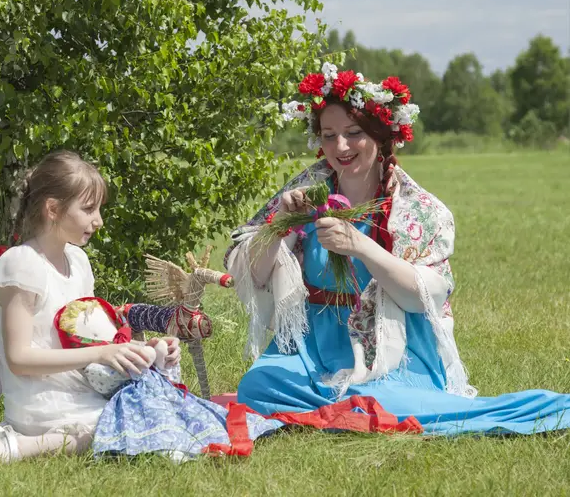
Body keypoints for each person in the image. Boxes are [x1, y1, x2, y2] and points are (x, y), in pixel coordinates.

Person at [225, 63, 570, 435]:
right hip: (310, 347)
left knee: (383, 399)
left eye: (353, 133)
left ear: (381, 136)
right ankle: (347, 407)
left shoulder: (417, 209)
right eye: (329, 135)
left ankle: (358, 403)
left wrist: (361, 247)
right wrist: (279, 228)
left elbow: (425, 298)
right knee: (257, 386)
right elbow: (251, 273)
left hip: (390, 345)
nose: (340, 147)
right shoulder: (304, 194)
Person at [0, 150, 277, 467]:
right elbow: (19, 359)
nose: (99, 221)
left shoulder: (77, 260)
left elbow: (91, 339)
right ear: (53, 209)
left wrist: (144, 350)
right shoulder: (21, 265)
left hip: (82, 386)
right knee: (122, 426)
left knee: (152, 411)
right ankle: (13, 447)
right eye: (89, 209)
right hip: (42, 399)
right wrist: (101, 355)